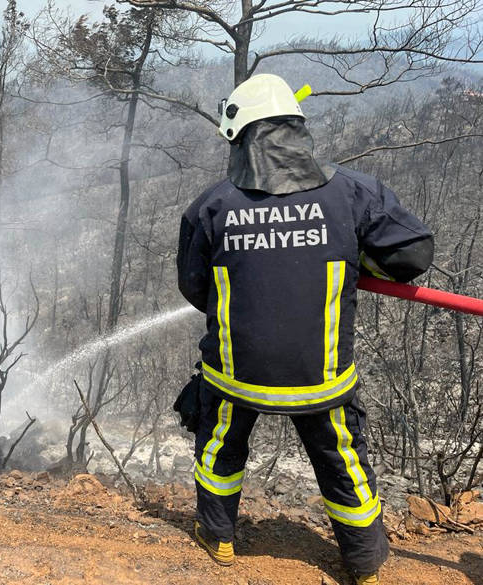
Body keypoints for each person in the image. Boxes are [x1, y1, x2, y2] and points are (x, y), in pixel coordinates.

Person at [175, 74, 434, 585]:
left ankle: (218, 537)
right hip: (322, 377)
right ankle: (363, 565)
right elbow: (411, 256)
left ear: (241, 135)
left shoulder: (212, 205)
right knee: (341, 459)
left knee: (220, 445)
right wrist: (356, 257)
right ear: (297, 129)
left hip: (236, 373)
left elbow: (194, 285)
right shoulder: (354, 193)